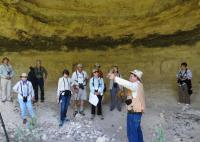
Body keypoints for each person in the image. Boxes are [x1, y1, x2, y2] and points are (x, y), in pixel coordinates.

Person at [108, 69, 145, 142]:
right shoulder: (138, 85)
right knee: (137, 131)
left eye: (131, 76)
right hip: (136, 113)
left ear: (136, 78)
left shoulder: (135, 85)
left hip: (133, 113)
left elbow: (128, 84)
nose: (129, 77)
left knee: (132, 133)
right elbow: (131, 100)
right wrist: (123, 96)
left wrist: (115, 78)